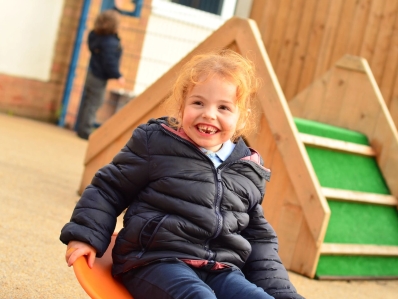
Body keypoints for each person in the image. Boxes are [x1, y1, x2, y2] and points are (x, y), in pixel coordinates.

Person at [60, 49, 305, 299]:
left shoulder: (247, 168)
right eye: (198, 103)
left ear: (241, 117)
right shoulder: (156, 144)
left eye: (224, 107)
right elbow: (109, 188)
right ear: (182, 105)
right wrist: (86, 235)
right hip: (156, 261)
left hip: (221, 270)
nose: (209, 114)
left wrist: (284, 294)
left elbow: (260, 242)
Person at [76, 9, 125, 140]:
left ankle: (80, 127)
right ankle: (85, 130)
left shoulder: (95, 36)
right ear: (113, 26)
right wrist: (118, 75)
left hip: (92, 72)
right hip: (99, 76)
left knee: (88, 101)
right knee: (95, 102)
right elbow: (109, 62)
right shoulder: (110, 42)